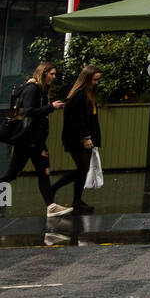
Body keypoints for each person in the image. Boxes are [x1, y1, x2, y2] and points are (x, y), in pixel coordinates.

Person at [0, 61, 72, 220]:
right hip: (27, 140)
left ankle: (51, 206)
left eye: (55, 74)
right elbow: (29, 111)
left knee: (43, 172)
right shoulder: (32, 89)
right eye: (52, 74)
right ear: (43, 73)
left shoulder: (38, 89)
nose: (54, 77)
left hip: (35, 140)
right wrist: (51, 107)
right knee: (12, 174)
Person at [52, 65, 102, 212]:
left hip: (82, 138)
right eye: (94, 80)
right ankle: (55, 189)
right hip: (76, 139)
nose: (96, 83)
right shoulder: (80, 95)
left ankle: (76, 200)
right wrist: (85, 137)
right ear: (86, 79)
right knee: (82, 168)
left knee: (83, 169)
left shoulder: (86, 94)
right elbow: (76, 119)